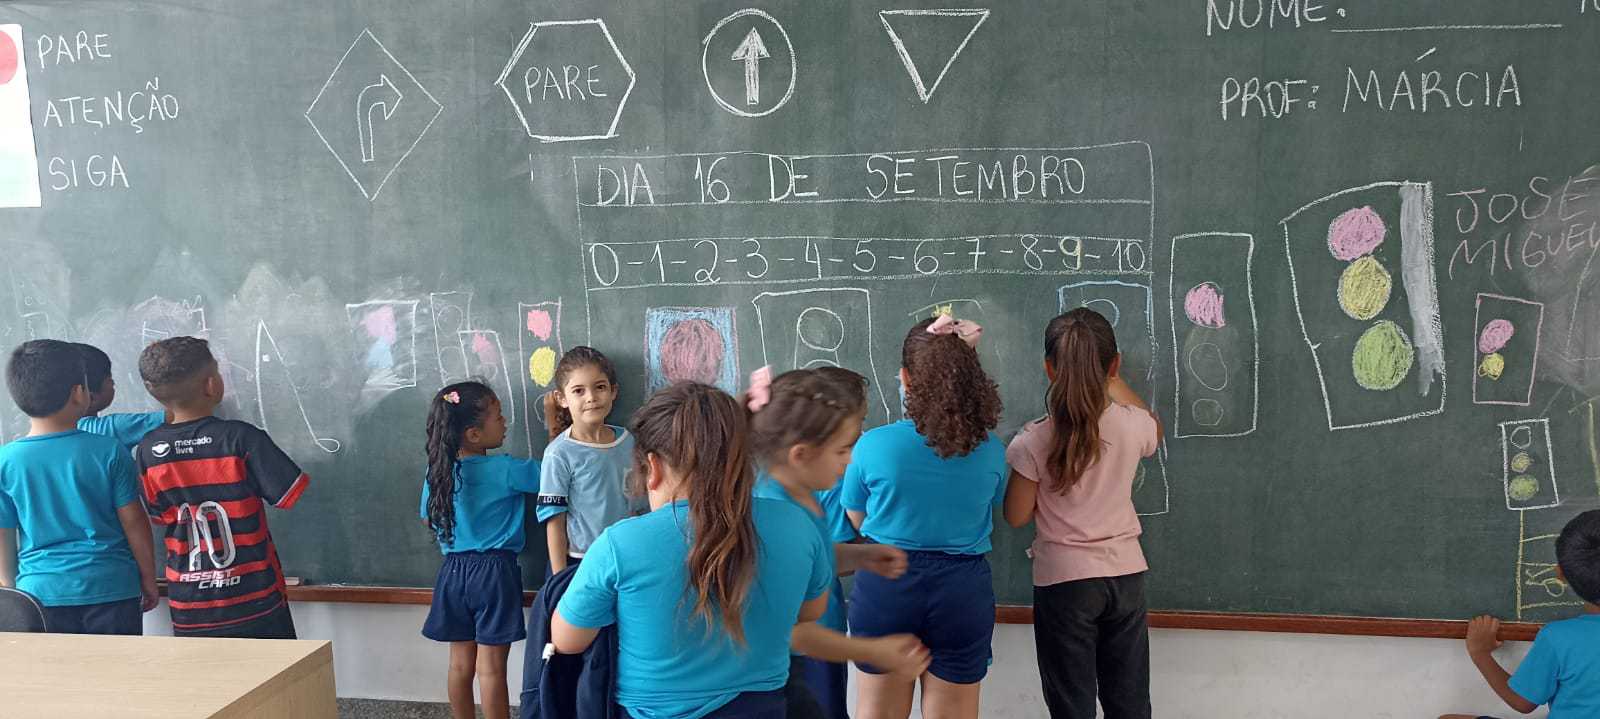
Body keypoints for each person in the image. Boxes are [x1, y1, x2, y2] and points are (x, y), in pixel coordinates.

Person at [553, 382, 832, 719]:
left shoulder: (620, 544)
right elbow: (811, 610)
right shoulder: (797, 525)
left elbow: (567, 640)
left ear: (653, 467)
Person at [840, 315, 1008, 719]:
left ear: (905, 377)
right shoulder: (992, 450)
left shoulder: (873, 445)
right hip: (962, 591)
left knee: (877, 712)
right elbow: (992, 508)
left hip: (886, 582)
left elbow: (856, 517)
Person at [746, 366, 930, 717]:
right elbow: (790, 631)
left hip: (807, 654)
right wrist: (873, 651)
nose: (851, 459)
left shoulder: (799, 497)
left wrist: (860, 556)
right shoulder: (779, 519)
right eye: (843, 450)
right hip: (782, 670)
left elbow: (811, 558)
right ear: (801, 455)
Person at [1004, 308, 1161, 718]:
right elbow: (1153, 430)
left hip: (1065, 582)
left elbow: (1016, 516)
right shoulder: (1131, 425)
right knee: (1129, 701)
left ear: (1049, 369)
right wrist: (1111, 380)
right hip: (1125, 575)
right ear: (1115, 365)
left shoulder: (1033, 439)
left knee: (1071, 704)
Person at [136, 336, 308, 638]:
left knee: (208, 670)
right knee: (275, 668)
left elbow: (159, 515)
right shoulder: (241, 439)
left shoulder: (149, 450)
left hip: (190, 605)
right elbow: (287, 493)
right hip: (255, 599)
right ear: (211, 384)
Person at [0, 339, 158, 634]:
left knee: (57, 666)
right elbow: (134, 521)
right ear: (78, 393)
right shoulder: (109, 451)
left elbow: (3, 534)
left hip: (40, 592)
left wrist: (13, 594)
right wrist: (149, 577)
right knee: (115, 664)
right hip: (111, 587)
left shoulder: (5, 461)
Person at [419, 381, 540, 719]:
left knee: (459, 665)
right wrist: (556, 428)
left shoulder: (437, 472)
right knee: (491, 669)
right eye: (498, 417)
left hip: (452, 572)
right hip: (494, 573)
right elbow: (558, 474)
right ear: (473, 434)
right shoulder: (507, 469)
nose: (505, 422)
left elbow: (428, 518)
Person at [1441, 509, 1600, 719]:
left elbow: (1522, 702)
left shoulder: (1559, 638)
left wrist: (1480, 653)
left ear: (1559, 574)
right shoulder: (1561, 638)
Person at [537, 347, 632, 575]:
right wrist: (559, 581)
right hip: (580, 562)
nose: (591, 397)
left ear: (613, 391)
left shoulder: (629, 441)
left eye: (600, 387)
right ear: (562, 398)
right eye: (579, 390)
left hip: (624, 556)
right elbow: (554, 521)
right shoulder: (558, 454)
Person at [72, 342, 164, 452]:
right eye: (110, 380)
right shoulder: (113, 428)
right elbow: (172, 416)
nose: (113, 383)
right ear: (92, 399)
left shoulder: (58, 434)